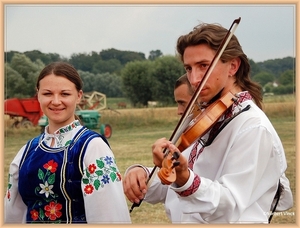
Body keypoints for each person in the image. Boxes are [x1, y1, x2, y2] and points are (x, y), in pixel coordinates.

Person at [123, 22, 293, 223]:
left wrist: (185, 178)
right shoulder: (204, 117)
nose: (194, 79)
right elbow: (173, 187)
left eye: (204, 66)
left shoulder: (253, 127)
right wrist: (142, 176)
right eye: (188, 68)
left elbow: (230, 204)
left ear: (233, 66)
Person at [4, 62, 131, 224]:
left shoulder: (93, 147)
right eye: (48, 93)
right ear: (38, 95)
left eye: (64, 94)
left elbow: (108, 216)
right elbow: (12, 214)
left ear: (78, 96)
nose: (56, 101)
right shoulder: (26, 151)